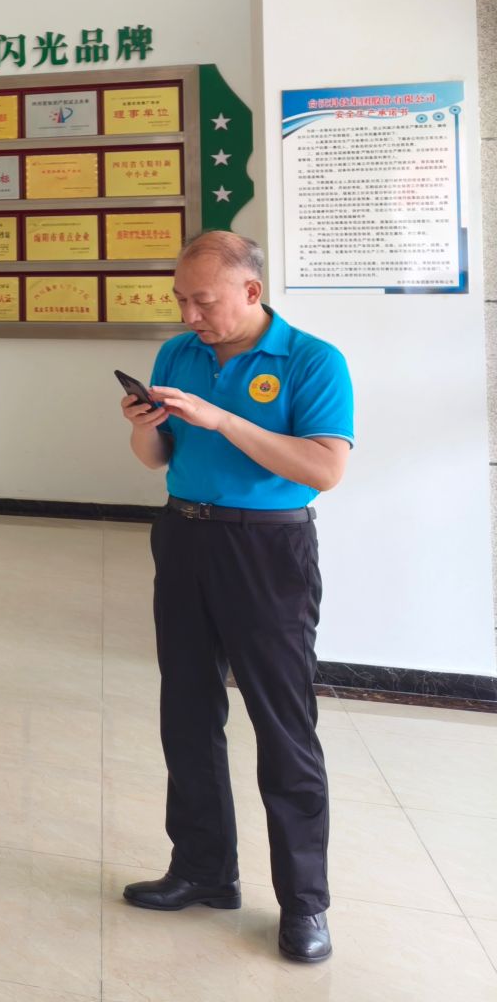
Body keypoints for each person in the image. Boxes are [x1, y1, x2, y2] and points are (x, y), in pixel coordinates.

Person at [118, 230, 353, 964]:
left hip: (268, 550)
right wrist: (144, 429)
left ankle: (305, 903)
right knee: (187, 711)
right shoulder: (177, 354)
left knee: (283, 727)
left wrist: (222, 419)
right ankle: (202, 869)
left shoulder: (312, 360)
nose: (189, 316)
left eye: (203, 301)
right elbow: (158, 459)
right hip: (184, 535)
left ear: (251, 292)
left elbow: (325, 468)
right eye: (180, 300)